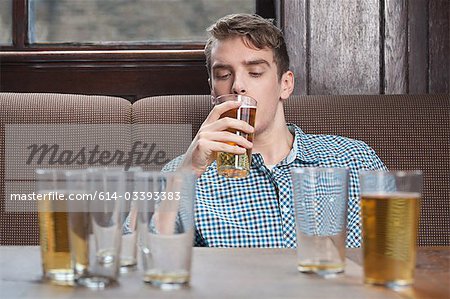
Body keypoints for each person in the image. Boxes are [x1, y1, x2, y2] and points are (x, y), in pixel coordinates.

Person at [163, 13, 386, 248]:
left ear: (285, 84)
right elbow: (137, 259)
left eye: (255, 72)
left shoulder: (355, 160)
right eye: (223, 75)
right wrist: (186, 173)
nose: (238, 85)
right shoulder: (182, 173)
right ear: (213, 91)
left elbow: (394, 254)